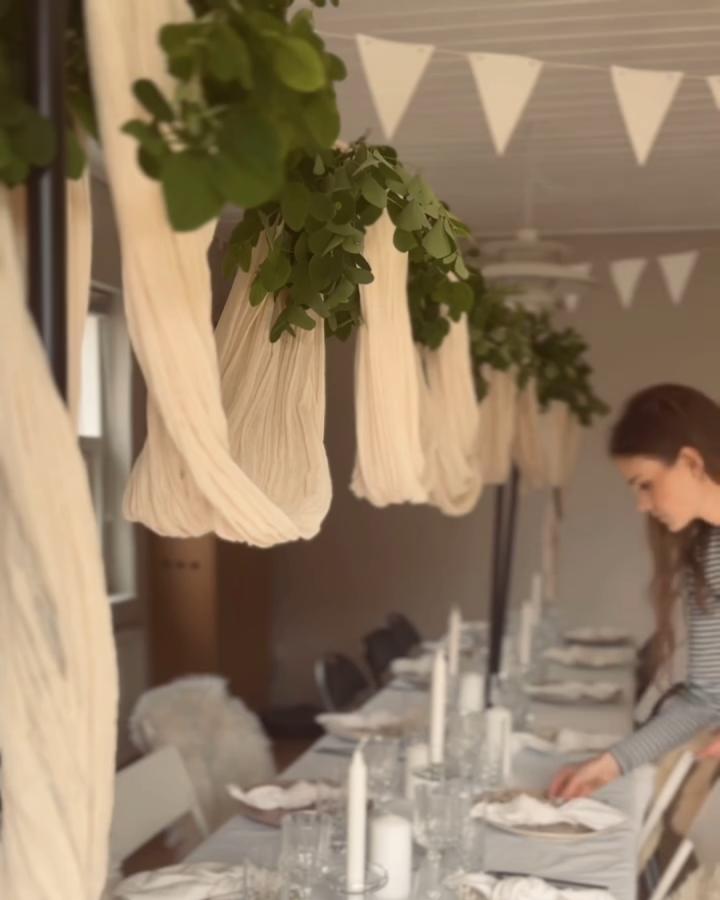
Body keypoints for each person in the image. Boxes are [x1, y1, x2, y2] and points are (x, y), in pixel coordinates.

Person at [550, 384, 720, 800]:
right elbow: (706, 699)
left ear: (690, 463)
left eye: (645, 484)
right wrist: (609, 764)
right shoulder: (708, 553)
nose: (641, 505)